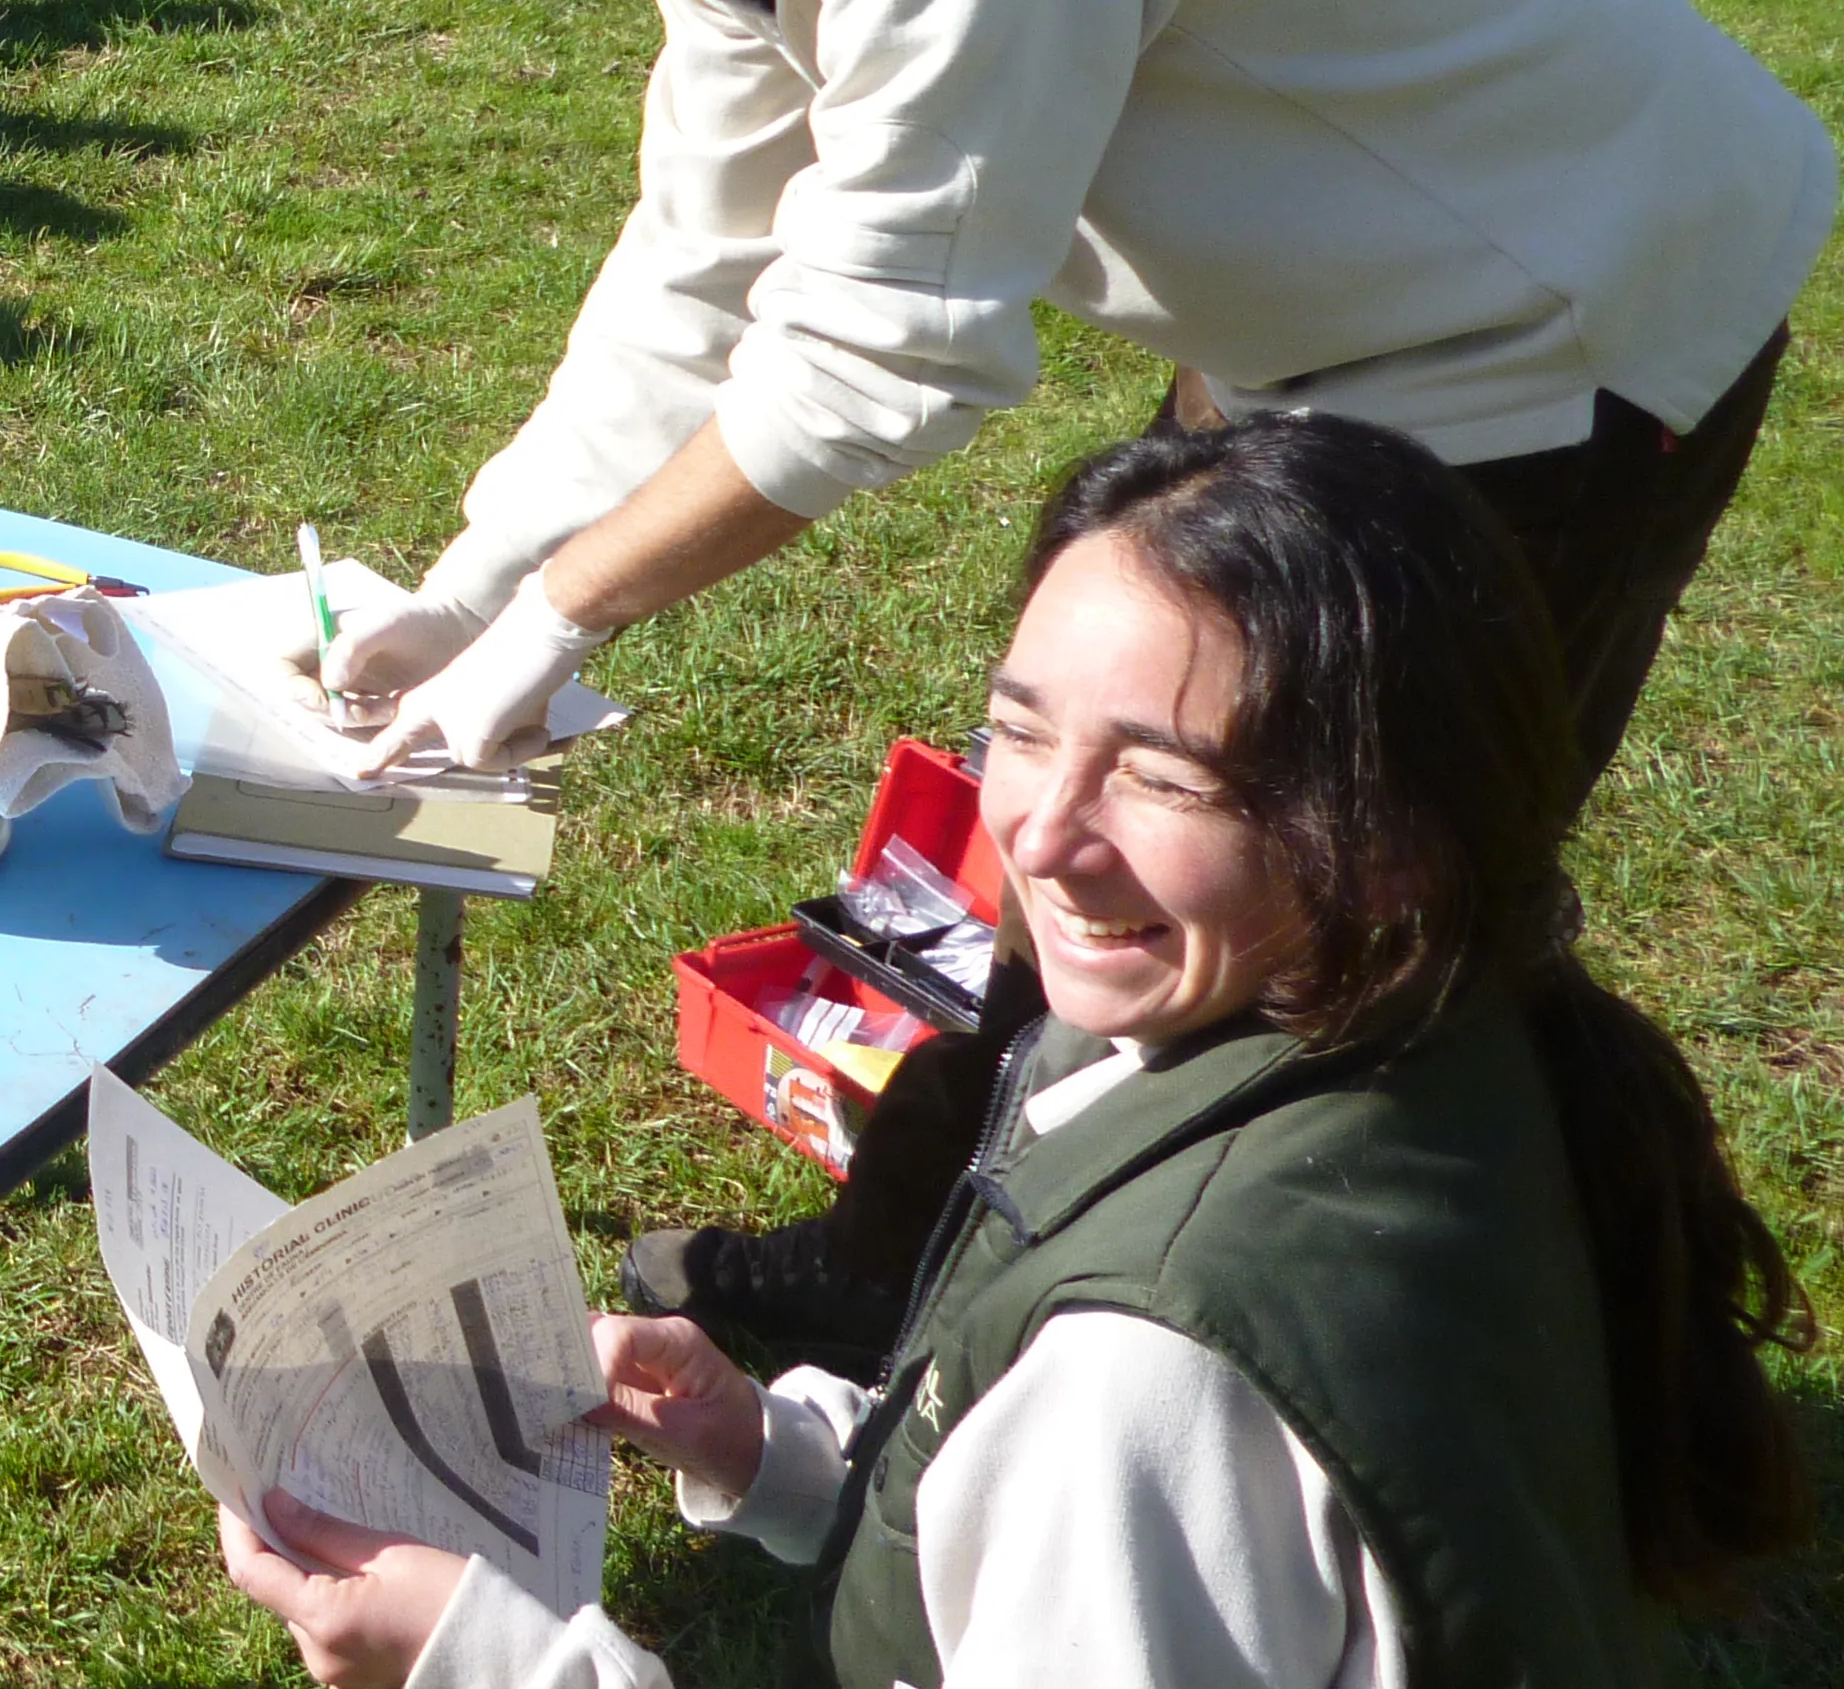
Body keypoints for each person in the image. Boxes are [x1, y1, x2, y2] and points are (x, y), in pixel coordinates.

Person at [335, 0, 1837, 1362]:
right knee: (1087, 810)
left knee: (1354, 902)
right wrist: (475, 583)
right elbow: (702, 273)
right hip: (1335, 320)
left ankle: (1546, 1373)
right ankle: (913, 1275)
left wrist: (562, 619)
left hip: (1574, 316)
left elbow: (889, 348)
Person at [220, 414, 1817, 1687]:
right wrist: (765, 1448)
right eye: (1025, 729)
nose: (1041, 836)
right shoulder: (1459, 1031)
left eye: (1167, 779)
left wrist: (474, 1660)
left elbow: (1128, 1472)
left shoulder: (1145, 1387)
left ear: (1391, 836)